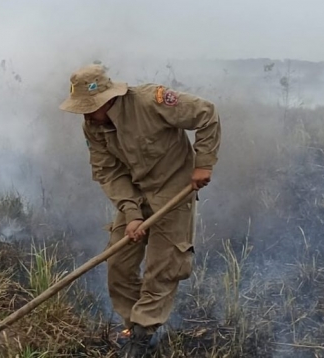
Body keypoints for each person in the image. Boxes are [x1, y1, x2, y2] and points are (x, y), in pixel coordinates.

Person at [59, 64, 221, 357]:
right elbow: (108, 171)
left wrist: (204, 163)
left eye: (89, 107)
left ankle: (143, 333)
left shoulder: (151, 101)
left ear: (107, 99)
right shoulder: (93, 126)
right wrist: (132, 213)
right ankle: (134, 326)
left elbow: (207, 114)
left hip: (173, 191)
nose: (84, 114)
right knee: (119, 264)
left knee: (163, 266)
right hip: (135, 193)